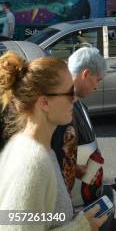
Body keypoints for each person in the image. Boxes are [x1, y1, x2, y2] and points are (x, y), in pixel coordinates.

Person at [0, 51, 107, 231]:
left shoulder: (41, 151)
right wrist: (81, 227)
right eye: (68, 92)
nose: (74, 98)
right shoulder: (32, 163)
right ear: (44, 103)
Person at [52, 47, 108, 204]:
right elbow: (46, 153)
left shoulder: (67, 101)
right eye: (97, 80)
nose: (96, 87)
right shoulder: (60, 107)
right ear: (86, 73)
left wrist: (76, 170)